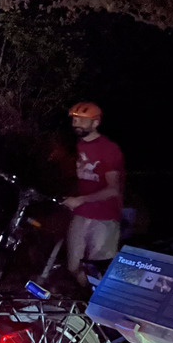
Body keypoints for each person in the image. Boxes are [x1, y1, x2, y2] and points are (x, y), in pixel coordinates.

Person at [63, 101, 124, 286]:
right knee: (73, 266)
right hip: (81, 213)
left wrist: (81, 199)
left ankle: (101, 301)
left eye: (82, 120)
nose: (76, 123)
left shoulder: (108, 149)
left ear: (95, 123)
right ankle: (88, 296)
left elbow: (113, 188)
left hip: (104, 216)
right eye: (74, 119)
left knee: (98, 268)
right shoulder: (76, 147)